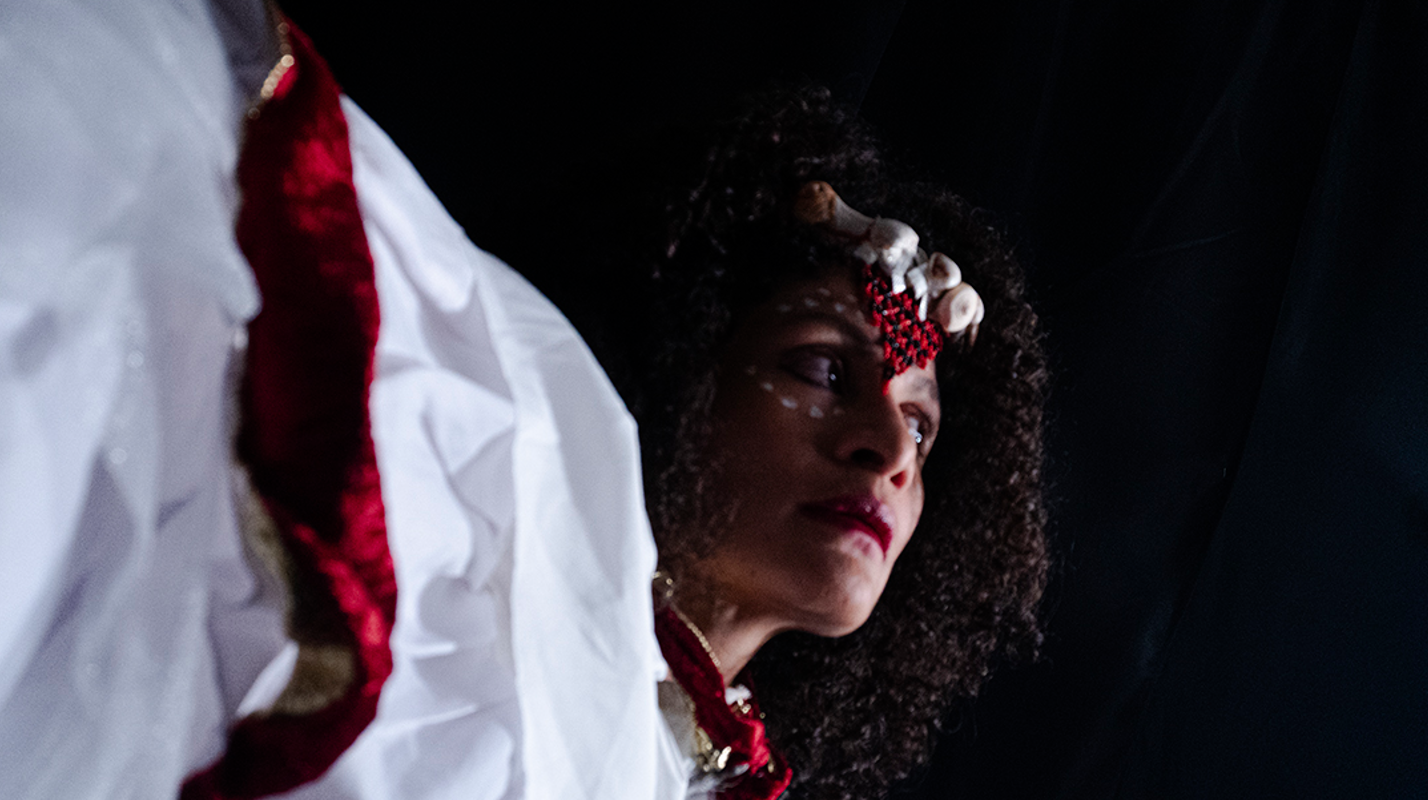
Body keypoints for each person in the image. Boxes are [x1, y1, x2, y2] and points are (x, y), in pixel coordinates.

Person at [603, 87, 1051, 800]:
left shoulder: (726, 768)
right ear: (675, 371)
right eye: (822, 371)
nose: (893, 451)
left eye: (920, 426)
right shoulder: (468, 624)